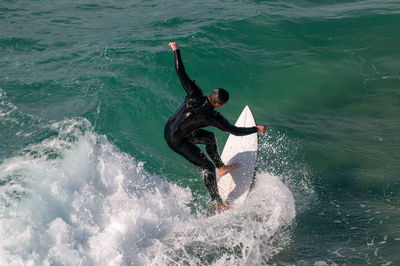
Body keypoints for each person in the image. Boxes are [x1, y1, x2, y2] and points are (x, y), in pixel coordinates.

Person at [164, 42, 267, 212]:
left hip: (171, 128)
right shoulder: (213, 116)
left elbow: (180, 72)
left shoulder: (194, 93)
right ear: (219, 104)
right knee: (207, 167)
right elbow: (235, 131)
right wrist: (256, 129)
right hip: (177, 140)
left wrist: (176, 50)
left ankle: (221, 167)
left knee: (209, 138)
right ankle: (218, 203)